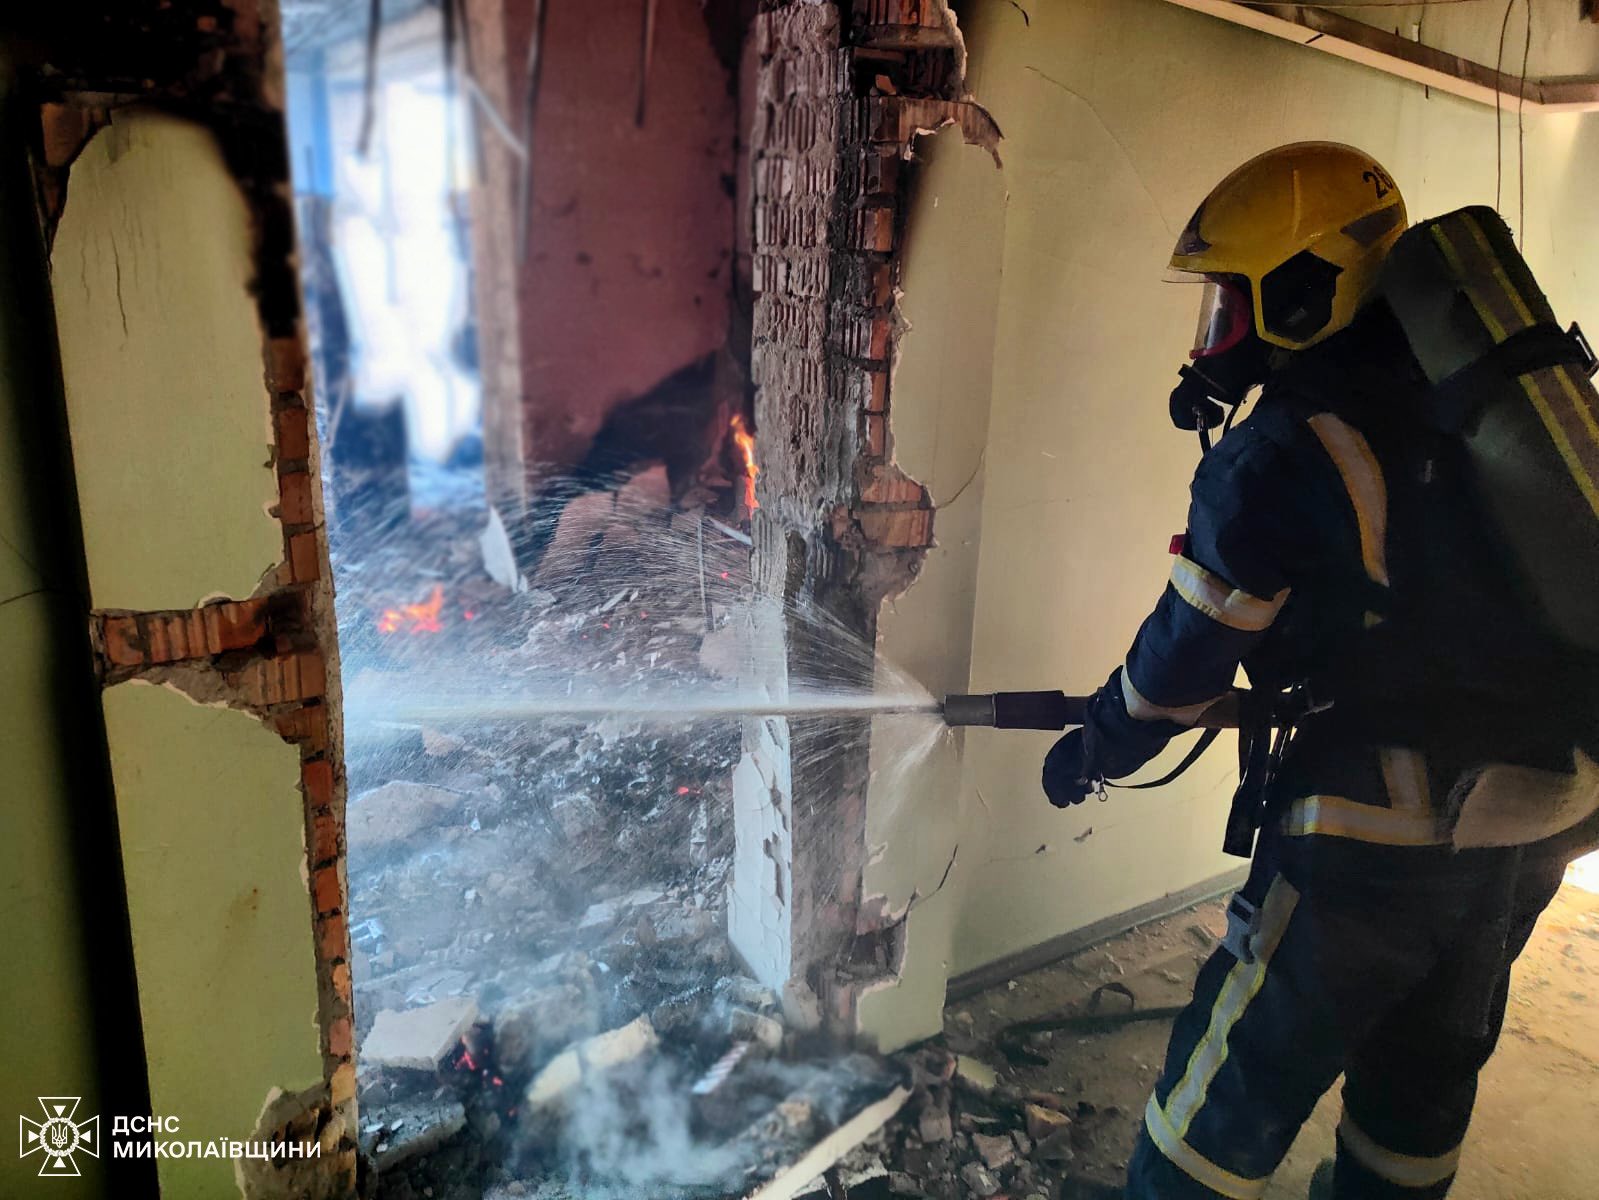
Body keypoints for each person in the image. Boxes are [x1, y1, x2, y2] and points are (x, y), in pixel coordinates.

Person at [1039, 143, 1599, 1199]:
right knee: (1420, 1084)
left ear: (1303, 292)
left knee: (1226, 1090)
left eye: (1230, 303)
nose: (1214, 336)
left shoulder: (1288, 446)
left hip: (1378, 835)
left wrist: (1100, 743)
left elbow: (1183, 659)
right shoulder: (1463, 403)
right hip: (1534, 821)